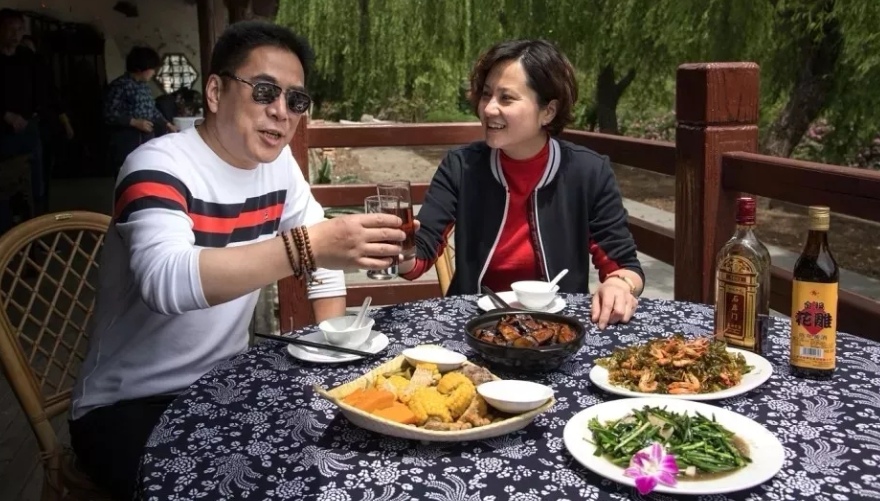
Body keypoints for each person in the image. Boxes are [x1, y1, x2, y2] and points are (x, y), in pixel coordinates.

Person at [69, 21, 407, 500]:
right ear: (215, 91)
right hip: (129, 402)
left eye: (296, 100)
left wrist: (335, 350)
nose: (281, 111)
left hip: (226, 384)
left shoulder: (279, 166)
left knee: (336, 461)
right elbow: (165, 282)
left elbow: (323, 260)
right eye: (264, 91)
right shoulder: (156, 164)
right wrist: (305, 247)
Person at [400, 39, 644, 328]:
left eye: (506, 98)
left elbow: (625, 265)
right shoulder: (461, 167)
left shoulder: (588, 172)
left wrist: (620, 285)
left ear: (548, 111)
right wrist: (398, 251)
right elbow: (419, 256)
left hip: (557, 328)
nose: (489, 109)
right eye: (486, 94)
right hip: (475, 325)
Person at [0, 9, 73, 223]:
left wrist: (64, 121)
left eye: (19, 29)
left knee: (35, 187)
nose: (16, 34)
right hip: (3, 133)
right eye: (10, 29)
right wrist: (5, 115)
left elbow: (48, 90)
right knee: (5, 189)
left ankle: (36, 231)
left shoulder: (28, 58)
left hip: (30, 128)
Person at [103, 45, 178, 175]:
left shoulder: (144, 87)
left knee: (145, 171)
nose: (154, 72)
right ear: (140, 68)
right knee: (127, 173)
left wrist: (167, 124)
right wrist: (135, 122)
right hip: (126, 140)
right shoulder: (120, 85)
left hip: (146, 138)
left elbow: (152, 110)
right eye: (152, 69)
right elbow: (109, 114)